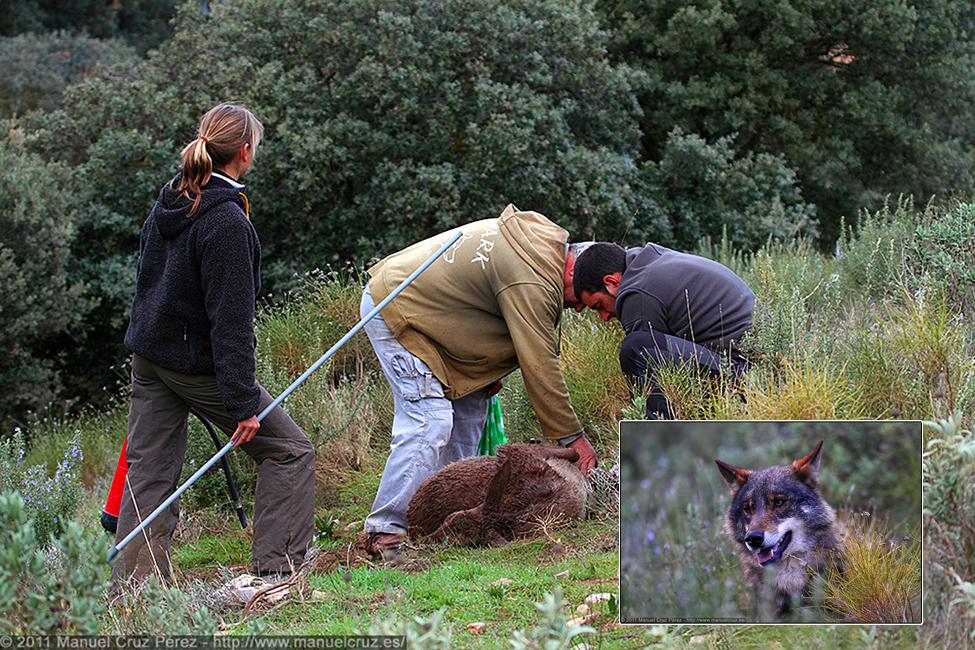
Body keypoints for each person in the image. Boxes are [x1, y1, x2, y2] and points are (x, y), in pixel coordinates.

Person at [114, 103, 315, 585]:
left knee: (149, 472)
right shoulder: (226, 223)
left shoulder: (171, 199)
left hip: (150, 358)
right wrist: (243, 402)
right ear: (243, 153)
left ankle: (134, 592)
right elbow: (231, 322)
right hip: (193, 365)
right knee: (289, 451)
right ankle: (276, 575)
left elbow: (147, 284)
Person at [361, 204, 597, 559]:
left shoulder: (543, 249)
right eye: (583, 301)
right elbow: (540, 364)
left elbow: (492, 312)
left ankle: (440, 517)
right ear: (575, 276)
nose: (579, 309)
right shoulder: (532, 277)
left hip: (441, 324)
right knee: (430, 421)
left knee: (472, 413)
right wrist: (572, 438)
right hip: (399, 308)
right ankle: (387, 530)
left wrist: (485, 371)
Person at [573, 242, 754, 419]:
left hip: (746, 373)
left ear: (612, 282)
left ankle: (655, 435)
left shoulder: (636, 293)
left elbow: (654, 372)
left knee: (637, 349)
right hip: (762, 361)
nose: (604, 317)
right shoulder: (648, 260)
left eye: (599, 306)